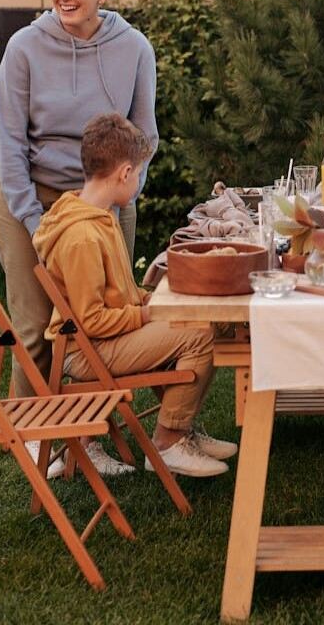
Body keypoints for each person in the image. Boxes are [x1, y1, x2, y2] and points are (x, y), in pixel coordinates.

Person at [0, 0, 158, 412]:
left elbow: (144, 135)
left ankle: (93, 434)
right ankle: (32, 433)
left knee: (105, 318)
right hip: (31, 195)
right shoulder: (24, 47)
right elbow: (9, 142)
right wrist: (32, 218)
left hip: (106, 199)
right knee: (34, 326)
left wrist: (123, 195)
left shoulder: (134, 48)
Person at [32, 113, 235, 478]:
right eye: (139, 172)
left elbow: (118, 292)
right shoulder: (81, 237)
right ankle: (168, 442)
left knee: (209, 319)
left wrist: (151, 298)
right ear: (124, 173)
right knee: (199, 333)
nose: (139, 180)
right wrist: (147, 315)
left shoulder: (100, 215)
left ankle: (183, 430)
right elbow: (90, 320)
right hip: (85, 352)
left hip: (108, 337)